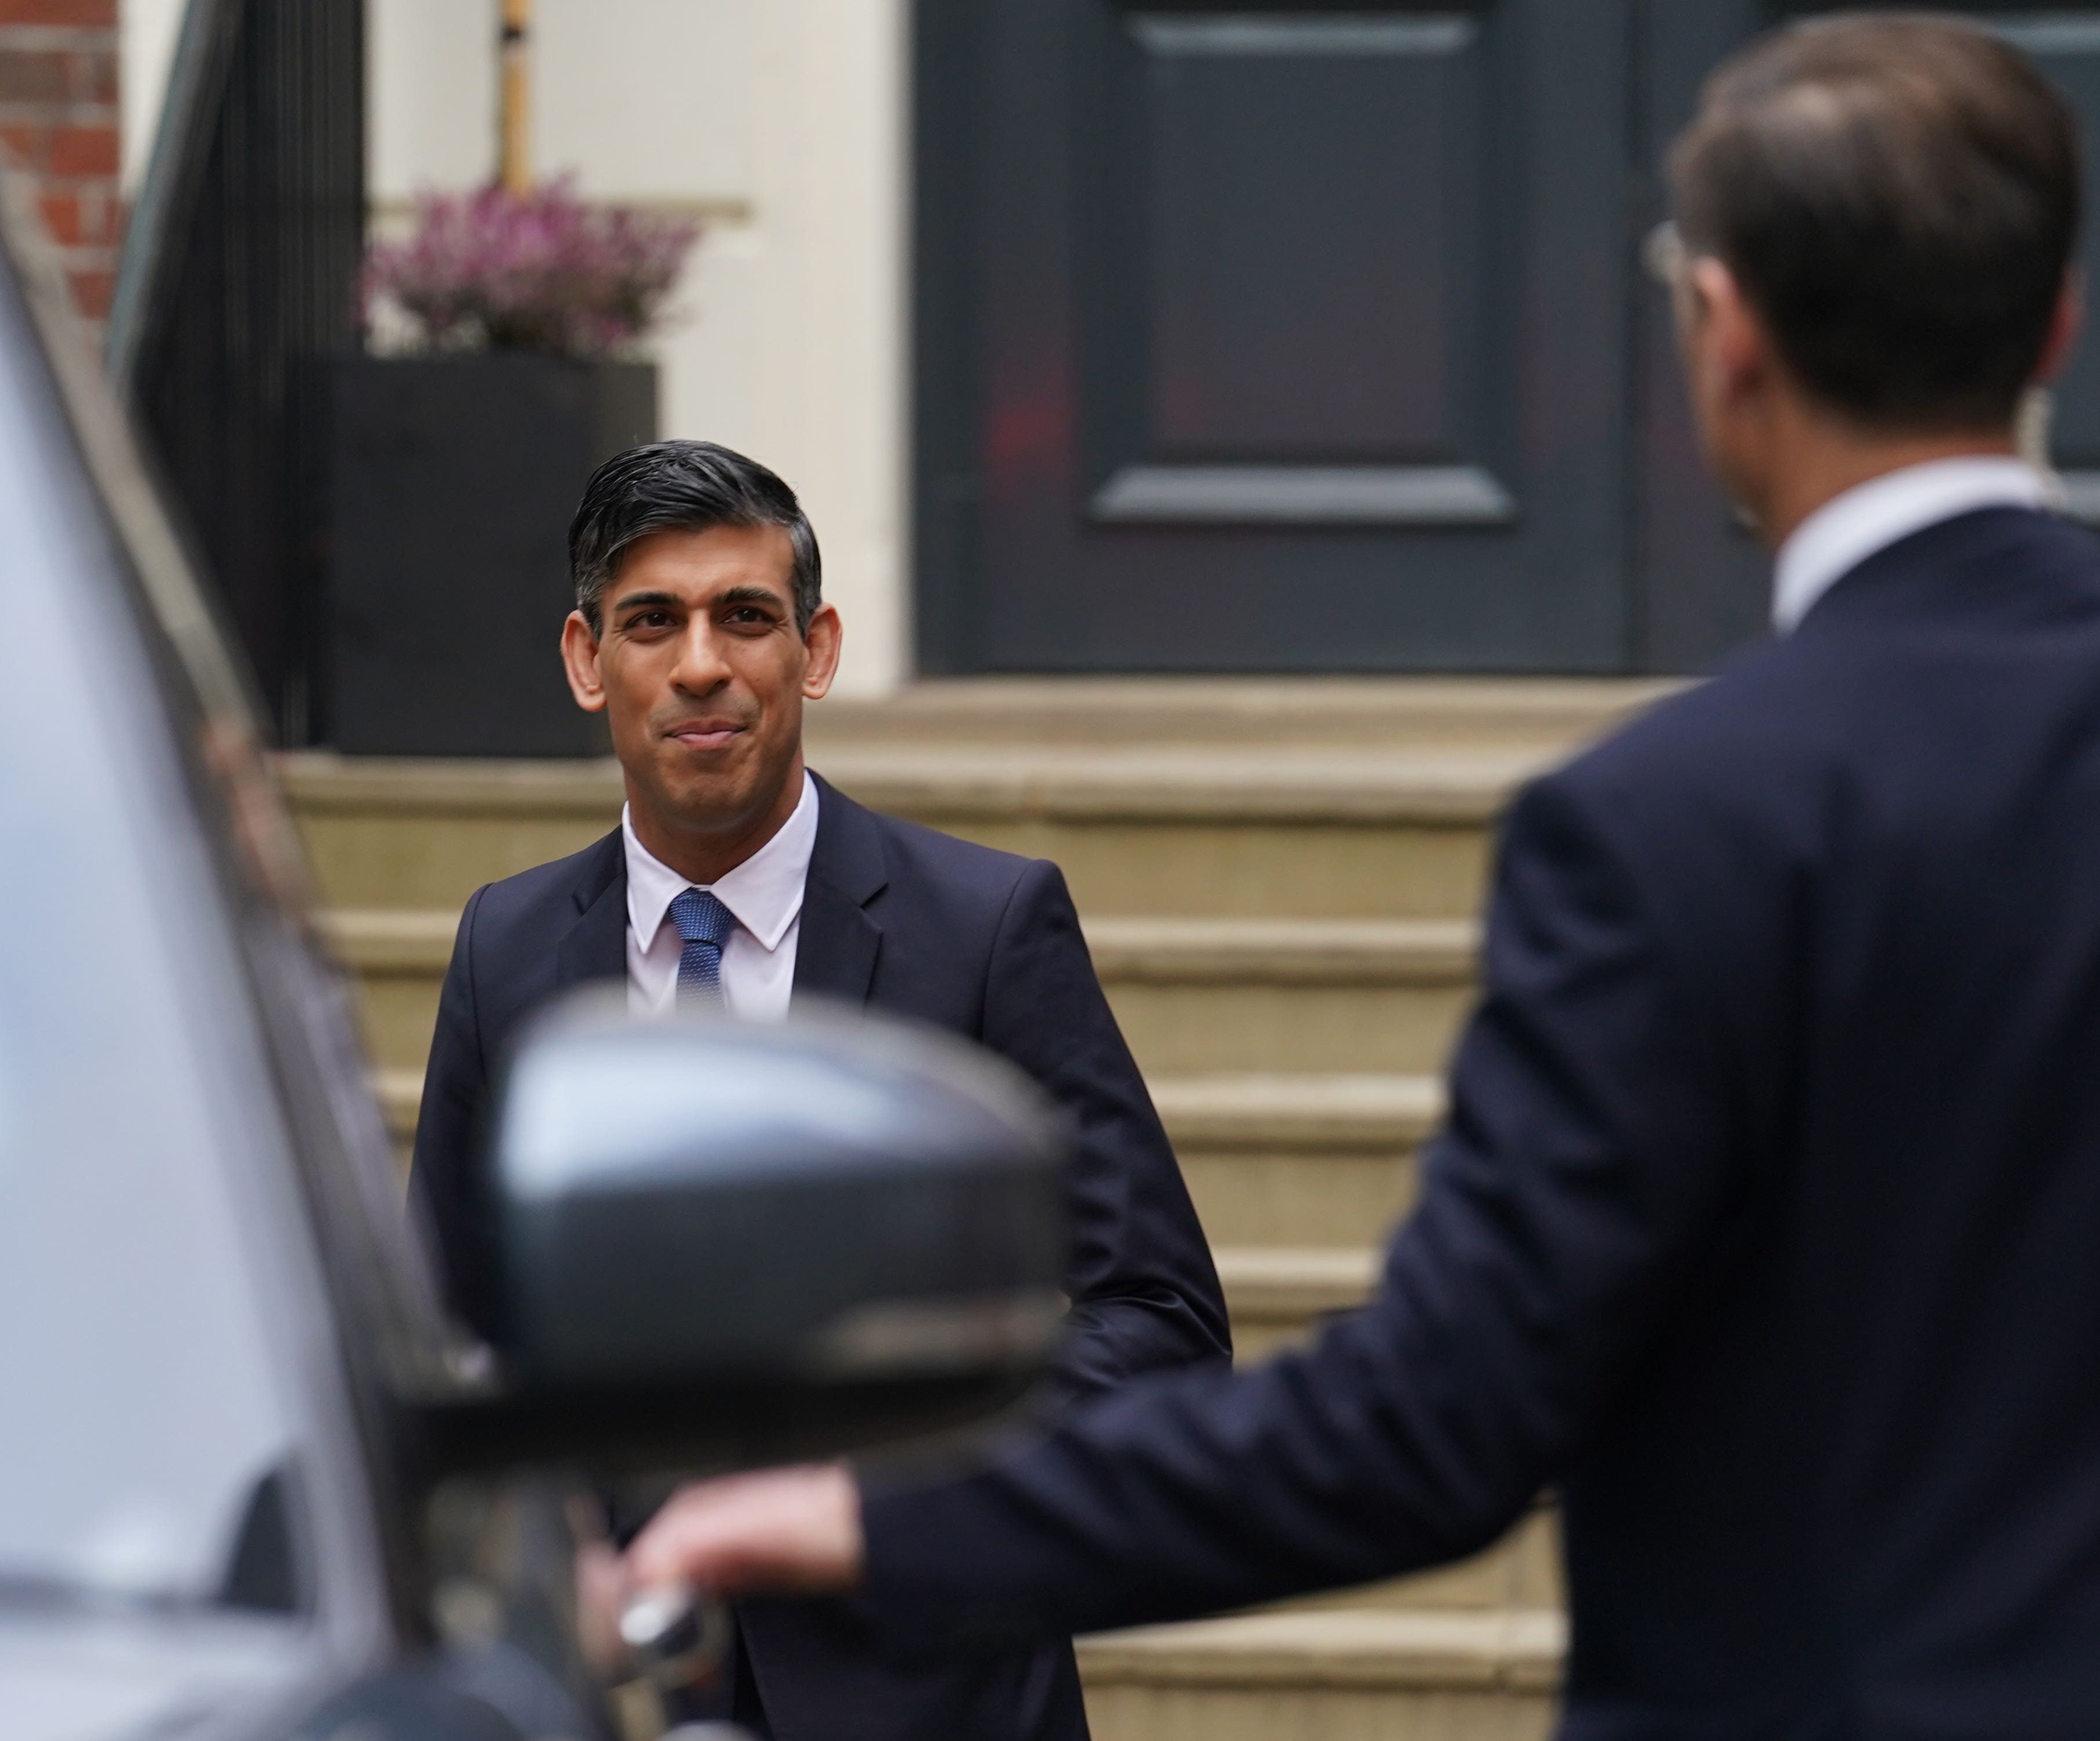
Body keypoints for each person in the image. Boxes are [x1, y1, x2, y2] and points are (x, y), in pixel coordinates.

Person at [627, 16, 2100, 1735]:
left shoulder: (1669, 824)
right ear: (2056, 320)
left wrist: (862, 1520)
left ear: (1725, 335)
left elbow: (1431, 1424)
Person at [407, 439, 1232, 1740]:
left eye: (745, 616)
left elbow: (1161, 1317)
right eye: (650, 622)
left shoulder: (986, 924)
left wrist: (884, 1473)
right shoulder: (502, 948)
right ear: (585, 661)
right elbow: (444, 1337)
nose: (699, 664)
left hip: (925, 1685)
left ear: (818, 648)